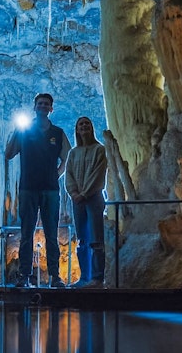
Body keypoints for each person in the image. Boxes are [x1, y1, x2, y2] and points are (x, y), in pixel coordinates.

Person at [5, 92, 71, 288]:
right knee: (27, 233)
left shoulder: (57, 133)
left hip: (50, 189)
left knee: (52, 234)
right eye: (40, 103)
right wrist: (17, 130)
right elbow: (9, 154)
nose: (43, 106)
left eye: (46, 104)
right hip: (28, 188)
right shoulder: (24, 131)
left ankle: (55, 276)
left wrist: (57, 174)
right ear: (35, 107)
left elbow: (67, 156)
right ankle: (24, 275)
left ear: (51, 109)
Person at [66, 117, 108, 288]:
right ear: (77, 129)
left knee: (96, 239)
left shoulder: (99, 150)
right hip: (77, 201)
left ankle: (97, 278)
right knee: (82, 239)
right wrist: (74, 192)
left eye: (87, 124)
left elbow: (98, 174)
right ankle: (84, 277)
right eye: (81, 124)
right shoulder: (73, 153)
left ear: (92, 128)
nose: (84, 126)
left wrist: (83, 193)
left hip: (93, 198)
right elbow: (68, 175)